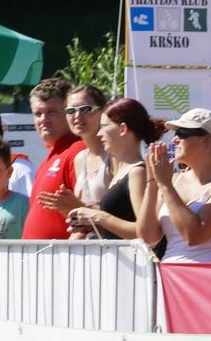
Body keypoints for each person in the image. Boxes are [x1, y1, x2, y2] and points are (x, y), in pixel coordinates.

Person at [138, 108, 211, 264]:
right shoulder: (174, 180)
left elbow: (194, 235)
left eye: (182, 133)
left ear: (205, 141)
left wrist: (165, 185)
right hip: (172, 274)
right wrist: (152, 183)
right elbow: (148, 237)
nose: (174, 139)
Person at [65, 98, 161, 244]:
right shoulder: (124, 170)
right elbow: (121, 221)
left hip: (133, 257)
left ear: (122, 129)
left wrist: (98, 216)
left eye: (104, 126)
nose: (99, 133)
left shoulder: (137, 172)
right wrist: (90, 221)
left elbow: (145, 232)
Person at [21, 77, 83, 240]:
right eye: (38, 114)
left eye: (52, 112)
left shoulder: (78, 151)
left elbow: (88, 215)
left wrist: (69, 252)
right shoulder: (51, 156)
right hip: (41, 254)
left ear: (69, 113)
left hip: (63, 254)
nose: (43, 119)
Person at [37, 83, 109, 217]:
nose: (77, 116)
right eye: (70, 111)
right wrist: (67, 210)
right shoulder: (80, 159)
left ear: (103, 110)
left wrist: (78, 207)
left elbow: (125, 214)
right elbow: (82, 216)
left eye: (85, 109)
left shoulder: (115, 155)